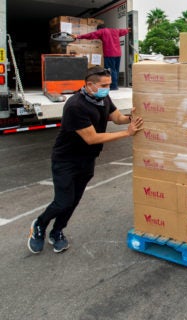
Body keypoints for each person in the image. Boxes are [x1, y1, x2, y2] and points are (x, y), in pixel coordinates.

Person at [27, 66, 144, 254]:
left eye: (109, 84)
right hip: (66, 160)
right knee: (63, 201)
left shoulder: (102, 98)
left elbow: (117, 117)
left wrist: (134, 117)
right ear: (90, 85)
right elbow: (92, 138)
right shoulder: (76, 105)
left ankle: (57, 232)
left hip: (87, 159)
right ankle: (39, 225)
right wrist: (126, 133)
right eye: (104, 85)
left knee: (73, 200)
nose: (108, 88)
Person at [74, 24, 130, 90]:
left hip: (109, 54)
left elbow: (91, 35)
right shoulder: (115, 31)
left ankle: (113, 86)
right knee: (115, 70)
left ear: (99, 29)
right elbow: (124, 31)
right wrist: (128, 30)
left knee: (110, 70)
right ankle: (115, 84)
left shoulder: (102, 31)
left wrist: (78, 36)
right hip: (118, 54)